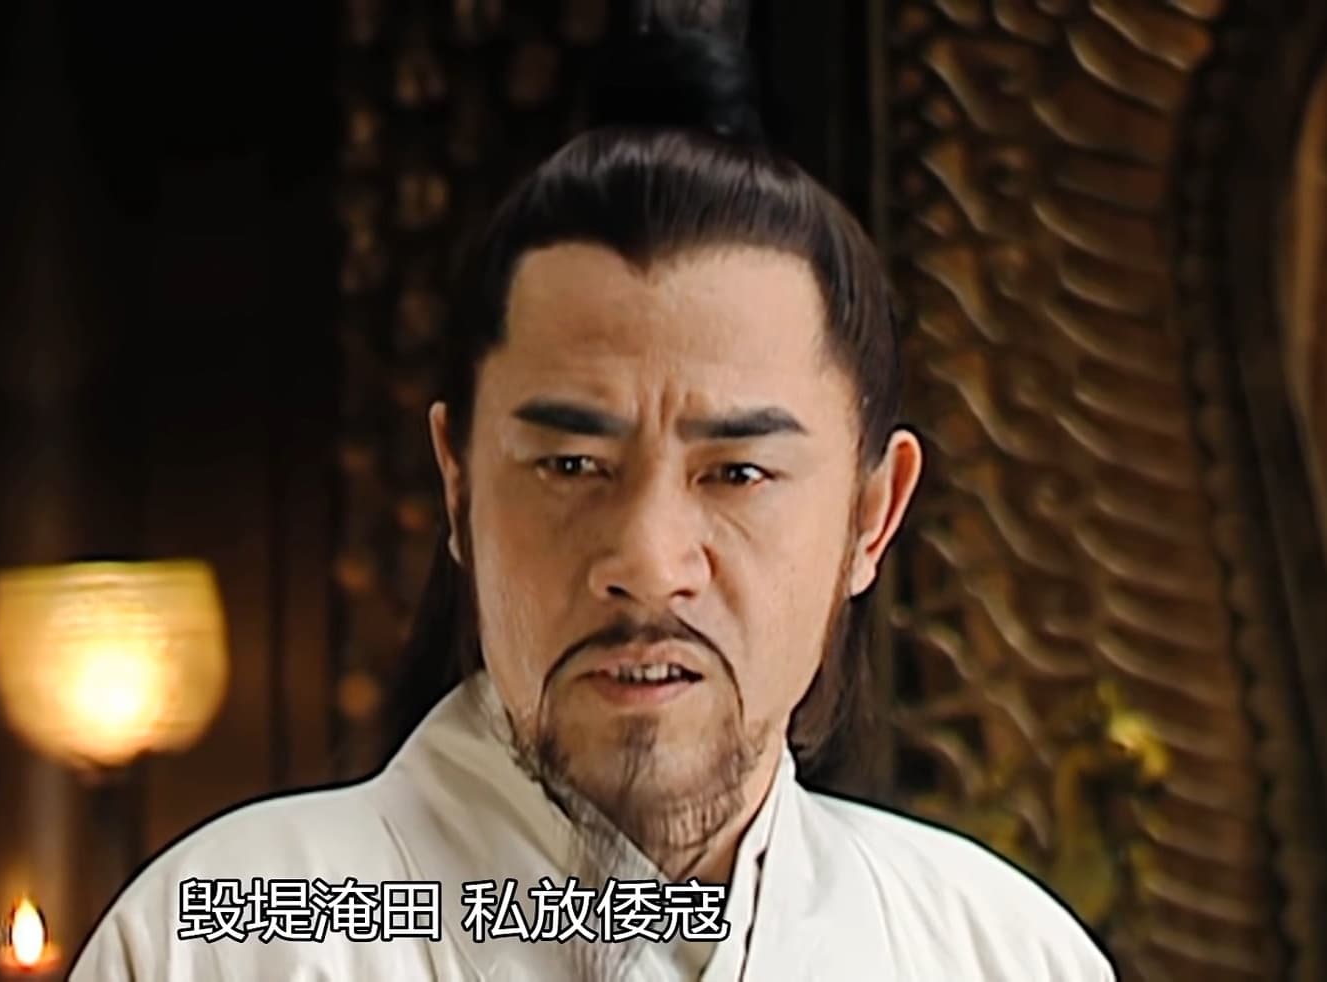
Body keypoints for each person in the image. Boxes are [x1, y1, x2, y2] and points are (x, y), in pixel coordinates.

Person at [69, 20, 1115, 982]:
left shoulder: (997, 953)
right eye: (571, 466)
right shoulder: (218, 944)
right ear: (459, 484)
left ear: (870, 516)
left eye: (737, 473)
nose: (649, 561)